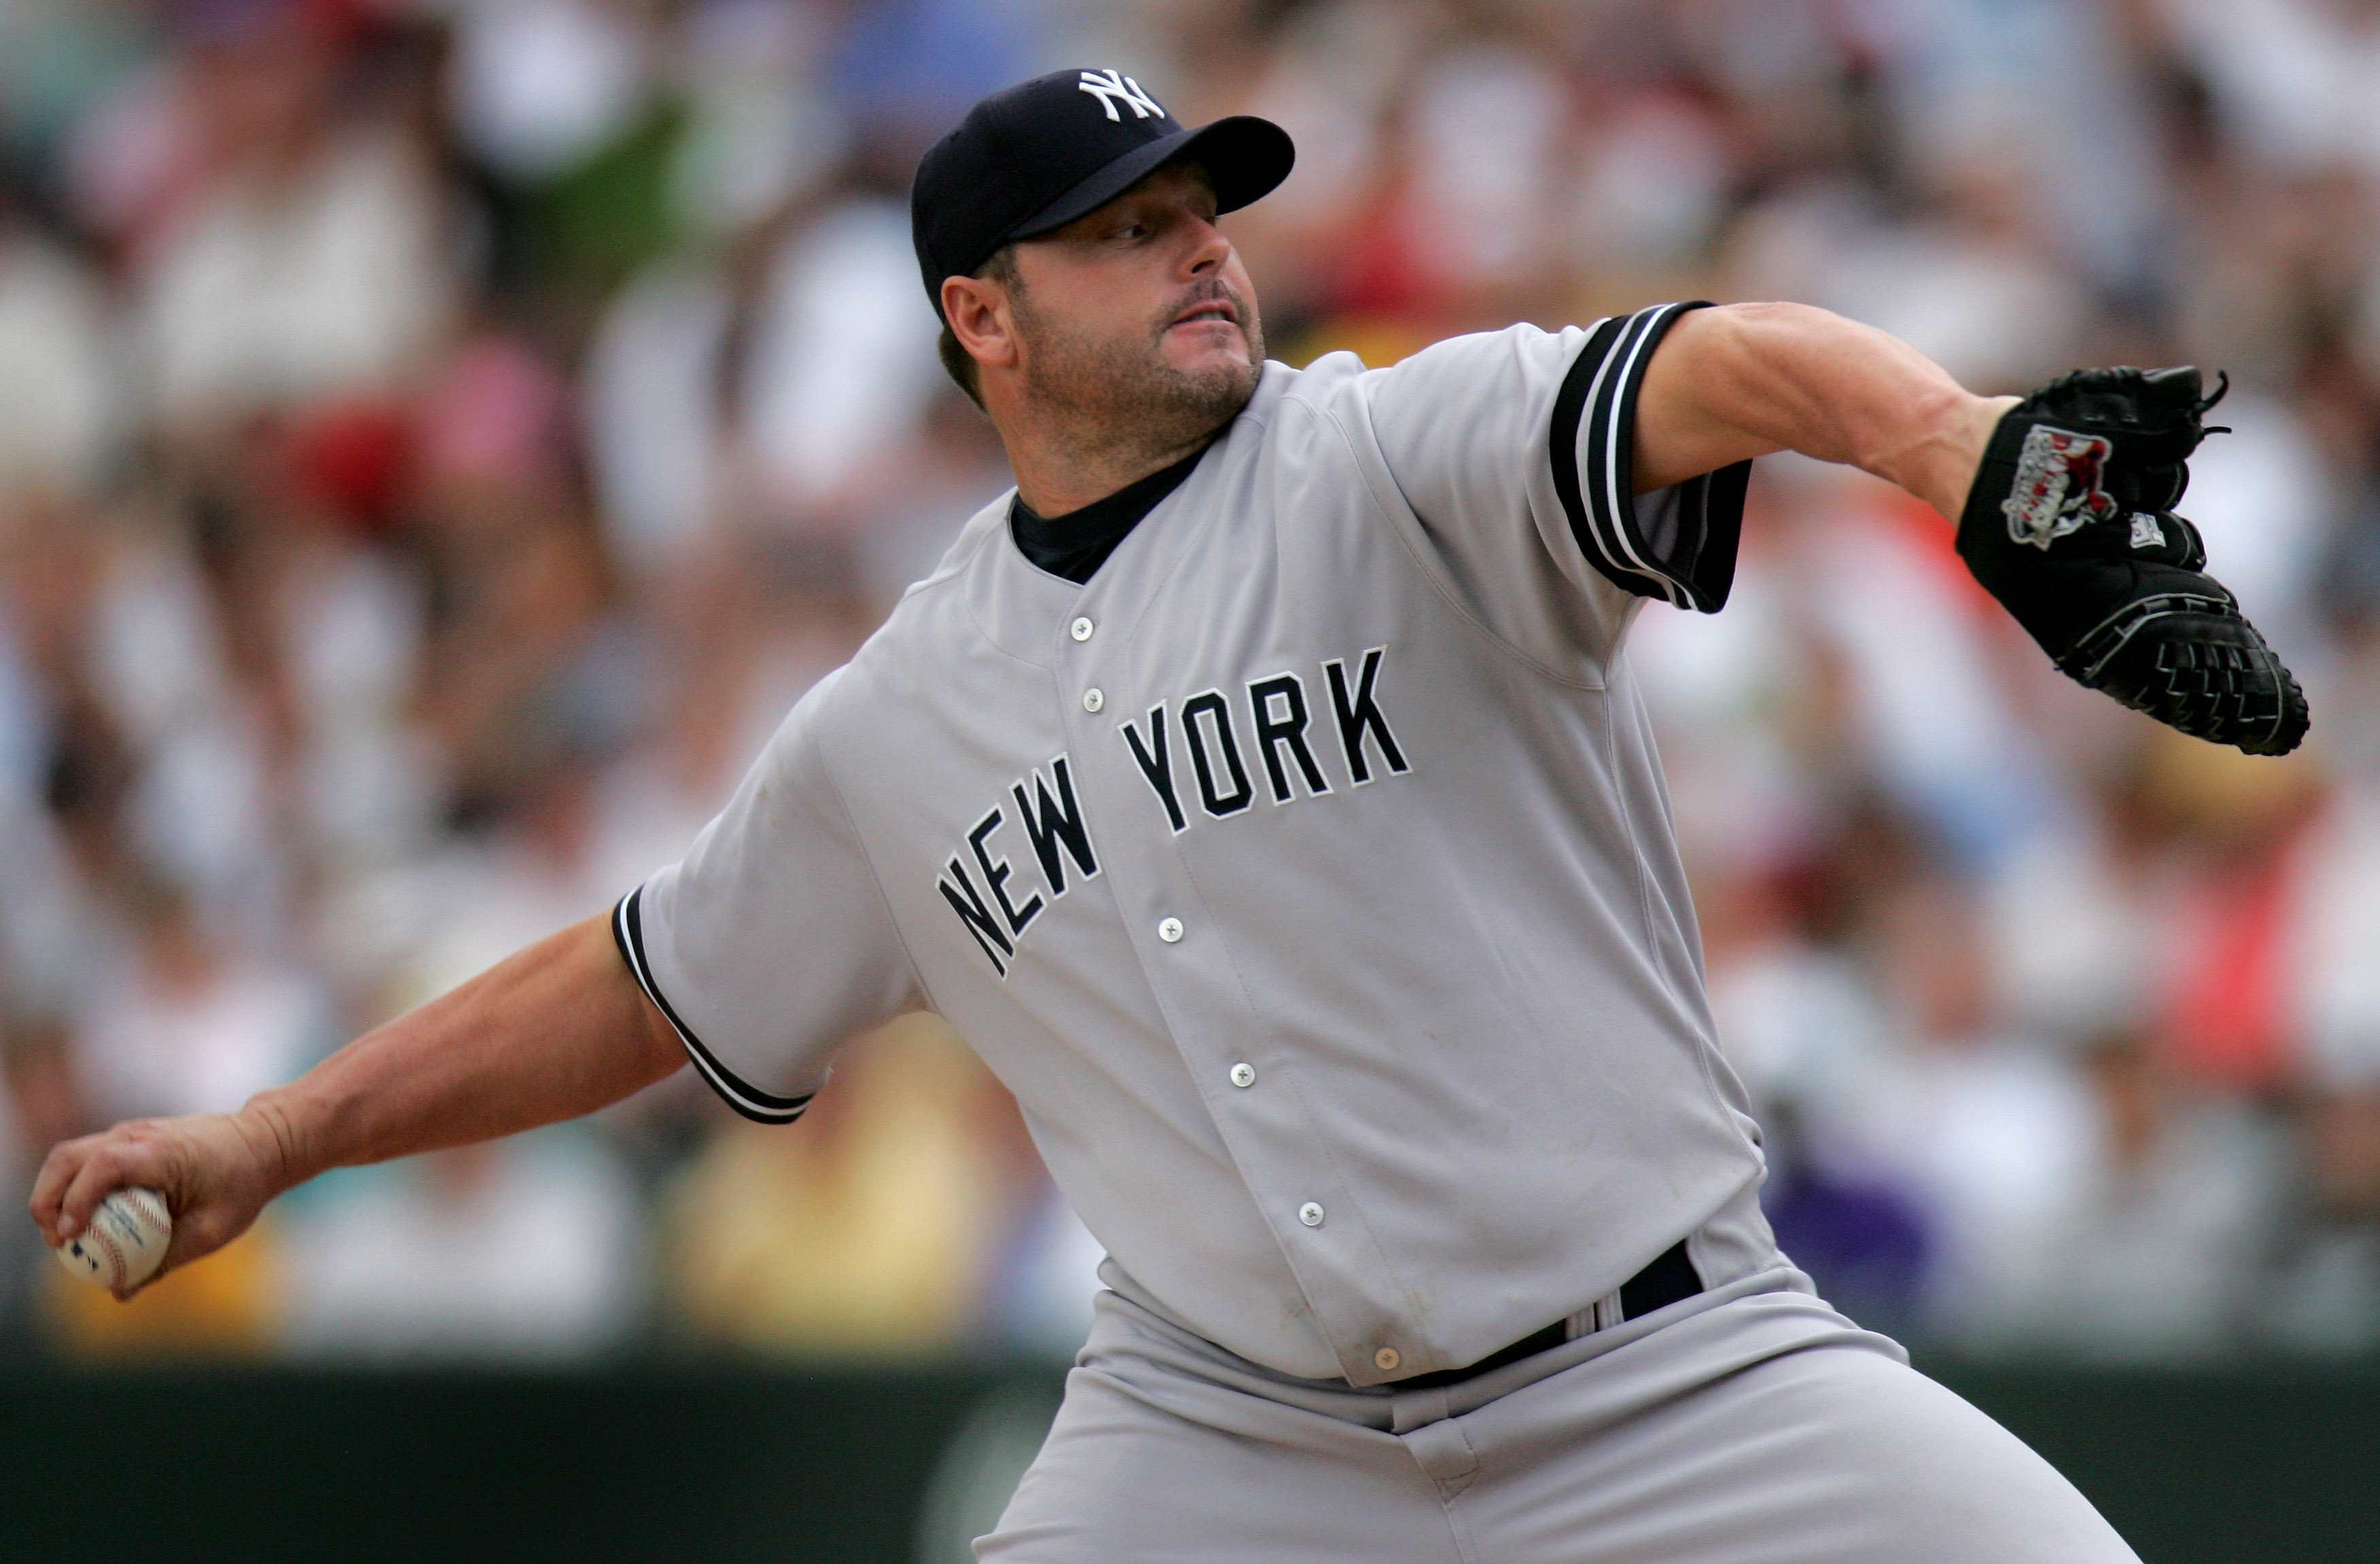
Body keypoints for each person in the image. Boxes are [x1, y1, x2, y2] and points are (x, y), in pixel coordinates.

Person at [35, 68, 2300, 1562]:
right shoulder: (902, 709)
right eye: (1122, 227)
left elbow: (1696, 363)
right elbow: (638, 982)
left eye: (1199, 202)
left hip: (1671, 1376)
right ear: (979, 315)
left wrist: (1944, 441)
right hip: (1233, 1453)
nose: (1199, 241)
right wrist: (271, 1138)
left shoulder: (1387, 459)